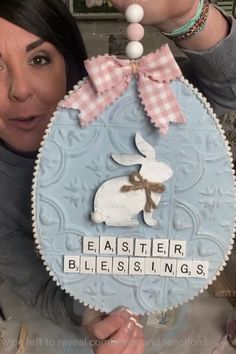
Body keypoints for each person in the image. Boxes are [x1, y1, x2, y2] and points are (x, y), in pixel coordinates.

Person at [0, 0, 235, 353]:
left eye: (39, 59)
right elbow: (33, 282)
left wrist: (183, 13)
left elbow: (228, 87)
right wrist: (90, 311)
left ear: (70, 61)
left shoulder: (128, 112)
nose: (19, 89)